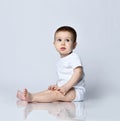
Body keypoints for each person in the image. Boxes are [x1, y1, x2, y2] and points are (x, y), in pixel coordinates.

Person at [16, 26, 85, 103]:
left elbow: (78, 73)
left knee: (56, 95)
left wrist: (66, 87)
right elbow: (65, 78)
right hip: (64, 88)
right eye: (59, 40)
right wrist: (57, 85)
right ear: (54, 44)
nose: (63, 43)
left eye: (67, 40)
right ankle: (30, 95)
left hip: (76, 91)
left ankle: (32, 98)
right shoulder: (61, 61)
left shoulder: (74, 57)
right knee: (49, 91)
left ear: (74, 45)